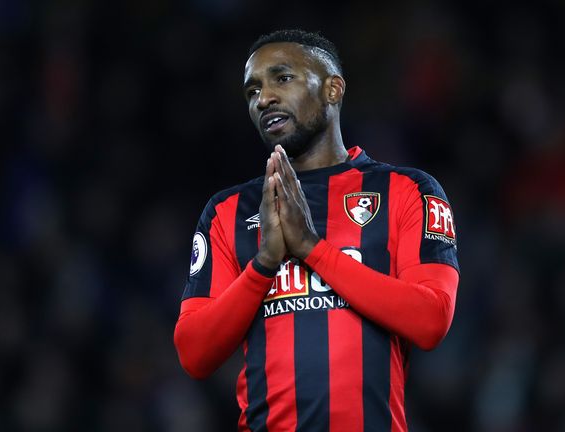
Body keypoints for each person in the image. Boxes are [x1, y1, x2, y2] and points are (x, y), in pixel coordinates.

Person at [174, 29, 459, 431]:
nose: (264, 98)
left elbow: (432, 319)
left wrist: (311, 249)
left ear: (333, 89)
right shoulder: (229, 211)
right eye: (252, 91)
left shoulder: (408, 190)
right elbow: (193, 352)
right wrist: (264, 265)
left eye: (282, 78)